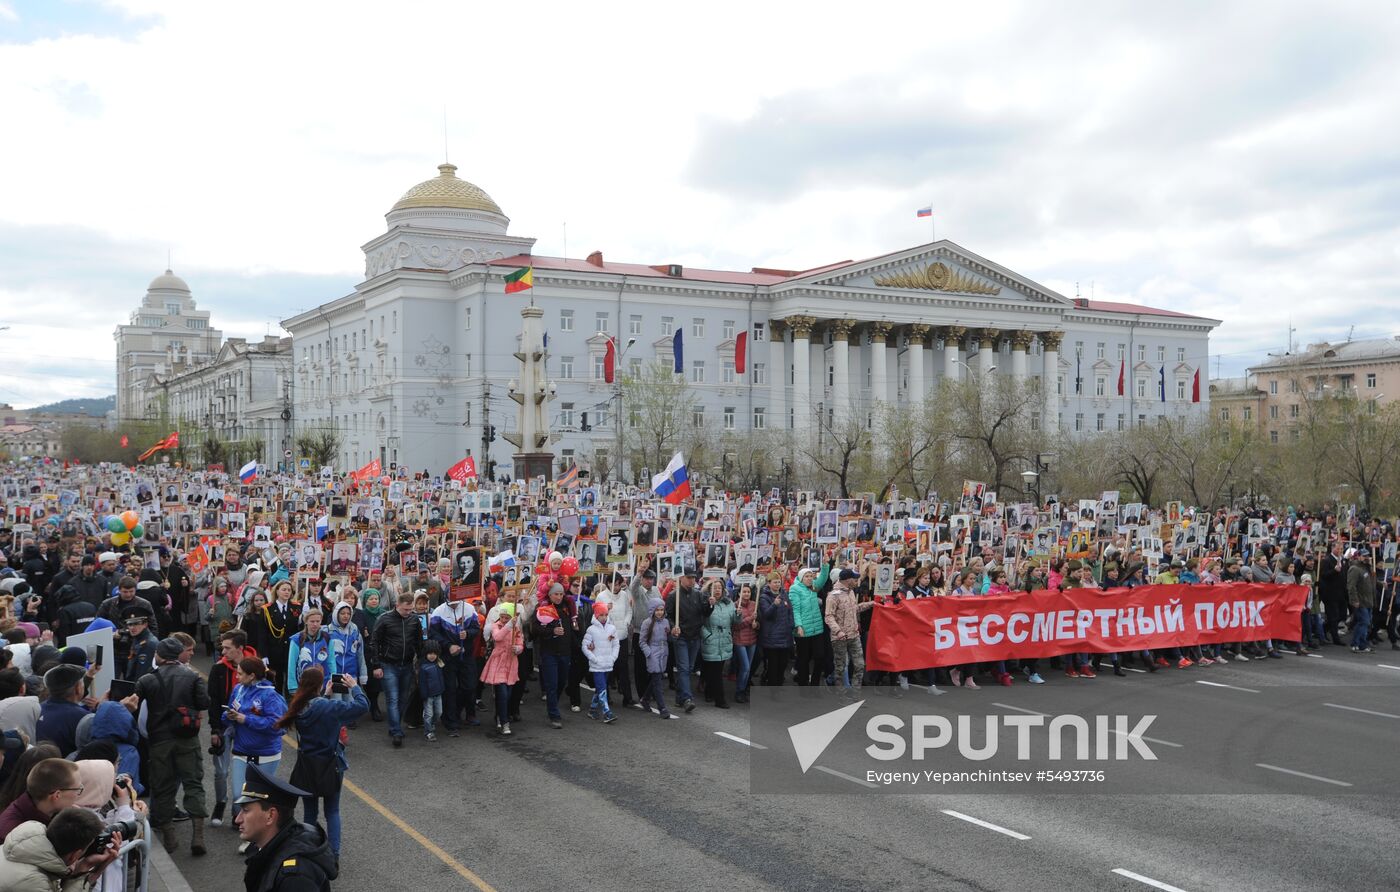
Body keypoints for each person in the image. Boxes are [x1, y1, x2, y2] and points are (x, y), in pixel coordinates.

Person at [279, 665, 368, 859]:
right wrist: (354, 686)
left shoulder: (297, 707)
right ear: (319, 685)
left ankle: (309, 850)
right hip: (330, 765)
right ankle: (334, 855)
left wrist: (325, 696)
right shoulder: (330, 708)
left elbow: (315, 713)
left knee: (310, 813)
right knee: (332, 811)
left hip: (307, 766)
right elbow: (362, 706)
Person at [135, 636, 210, 855]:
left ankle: (169, 836)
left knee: (162, 786)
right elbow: (204, 702)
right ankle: (198, 836)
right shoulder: (192, 677)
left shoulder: (147, 679)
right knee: (193, 783)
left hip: (159, 740)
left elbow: (132, 702)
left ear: (159, 655)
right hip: (187, 737)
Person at [234, 763, 337, 891]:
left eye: (246, 810)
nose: (238, 819)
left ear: (270, 816)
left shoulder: (295, 878)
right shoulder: (269, 848)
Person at [226, 658, 287, 844]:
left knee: (257, 801)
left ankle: (254, 839)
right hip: (241, 751)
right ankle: (253, 834)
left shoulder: (271, 696)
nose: (237, 677)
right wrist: (228, 716)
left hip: (266, 754)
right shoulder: (238, 690)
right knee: (239, 796)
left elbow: (277, 725)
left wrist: (246, 719)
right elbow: (230, 711)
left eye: (240, 674)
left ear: (252, 675)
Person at [0, 806, 119, 891]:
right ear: (74, 855)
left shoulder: (22, 843)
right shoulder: (36, 884)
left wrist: (84, 867)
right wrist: (97, 870)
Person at [369, 592, 421, 747]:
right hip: (388, 664)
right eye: (405, 609)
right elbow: (374, 642)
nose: (408, 612)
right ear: (397, 605)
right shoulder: (384, 619)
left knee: (403, 698)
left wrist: (421, 662)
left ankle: (395, 725)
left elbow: (418, 642)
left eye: (410, 609)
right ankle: (396, 731)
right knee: (392, 698)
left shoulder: (414, 620)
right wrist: (376, 665)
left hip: (407, 664)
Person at [0, 759, 84, 843]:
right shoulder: (16, 837)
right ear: (57, 795)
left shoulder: (44, 811)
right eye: (77, 789)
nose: (78, 794)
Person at [528, 583, 576, 729]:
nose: (559, 597)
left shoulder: (568, 607)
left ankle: (553, 702)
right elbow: (534, 629)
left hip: (565, 651)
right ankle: (554, 714)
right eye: (556, 594)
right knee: (552, 684)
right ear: (550, 595)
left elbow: (573, 626)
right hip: (549, 652)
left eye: (561, 594)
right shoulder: (543, 607)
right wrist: (552, 631)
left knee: (561, 682)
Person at [664, 567, 710, 713]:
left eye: (693, 577)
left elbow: (705, 613)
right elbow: (667, 616)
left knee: (688, 669)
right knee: (684, 668)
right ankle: (687, 699)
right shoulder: (673, 596)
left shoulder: (698, 594)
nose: (692, 580)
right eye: (689, 577)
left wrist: (710, 604)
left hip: (695, 636)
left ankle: (679, 697)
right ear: (681, 578)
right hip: (681, 637)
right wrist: (673, 627)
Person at [480, 603, 523, 735]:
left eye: (507, 617)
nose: (504, 620)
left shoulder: (517, 629)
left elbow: (521, 644)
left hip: (511, 663)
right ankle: (505, 723)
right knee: (503, 694)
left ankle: (499, 714)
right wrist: (509, 625)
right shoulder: (495, 626)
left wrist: (518, 649)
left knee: (507, 695)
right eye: (502, 617)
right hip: (498, 662)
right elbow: (497, 637)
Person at [789, 562, 830, 686]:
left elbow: (823, 578)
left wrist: (825, 565)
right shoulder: (795, 589)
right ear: (801, 578)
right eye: (806, 576)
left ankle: (815, 682)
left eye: (811, 576)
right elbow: (795, 609)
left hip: (817, 628)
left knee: (820, 656)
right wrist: (798, 626)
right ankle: (803, 682)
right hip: (803, 629)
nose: (809, 578)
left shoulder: (813, 587)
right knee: (804, 658)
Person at [825, 568, 865, 696]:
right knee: (841, 667)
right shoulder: (833, 596)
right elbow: (829, 616)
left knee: (859, 665)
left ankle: (855, 693)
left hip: (854, 635)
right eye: (854, 578)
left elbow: (854, 609)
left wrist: (869, 604)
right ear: (848, 580)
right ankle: (841, 694)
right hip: (840, 638)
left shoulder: (851, 592)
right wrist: (838, 631)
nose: (856, 580)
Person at [699, 580, 735, 709]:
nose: (717, 590)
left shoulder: (729, 603)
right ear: (710, 590)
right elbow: (700, 621)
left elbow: (735, 621)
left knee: (715, 670)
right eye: (715, 587)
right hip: (711, 640)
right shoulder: (705, 602)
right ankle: (720, 699)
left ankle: (709, 692)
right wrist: (707, 635)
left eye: (720, 587)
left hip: (724, 640)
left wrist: (738, 614)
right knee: (716, 671)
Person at [582, 600, 619, 722]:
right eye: (601, 615)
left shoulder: (612, 628)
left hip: (608, 664)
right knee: (602, 688)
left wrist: (613, 658)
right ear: (596, 615)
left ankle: (592, 710)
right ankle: (607, 713)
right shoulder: (591, 630)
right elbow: (584, 646)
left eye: (606, 615)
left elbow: (616, 644)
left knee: (600, 689)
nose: (604, 617)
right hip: (597, 666)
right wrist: (594, 659)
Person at [637, 598, 673, 718]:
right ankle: (662, 708)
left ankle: (645, 699)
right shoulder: (647, 623)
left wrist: (673, 634)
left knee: (657, 678)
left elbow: (669, 638)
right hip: (653, 652)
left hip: (664, 652)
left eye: (662, 610)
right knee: (658, 681)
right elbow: (642, 641)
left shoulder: (666, 622)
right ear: (652, 610)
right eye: (657, 610)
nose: (660, 612)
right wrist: (649, 653)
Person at [286, 609, 336, 695]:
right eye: (312, 621)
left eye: (318, 621)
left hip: (323, 684)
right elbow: (292, 664)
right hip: (303, 684)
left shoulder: (327, 638)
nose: (315, 624)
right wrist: (292, 686)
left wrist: (333, 682)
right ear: (306, 622)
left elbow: (331, 661)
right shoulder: (297, 639)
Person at [759, 572, 794, 686]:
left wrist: (791, 625)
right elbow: (766, 614)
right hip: (772, 637)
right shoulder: (764, 597)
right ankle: (772, 687)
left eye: (779, 582)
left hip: (785, 635)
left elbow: (790, 611)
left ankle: (779, 683)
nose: (777, 584)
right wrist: (774, 604)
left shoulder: (784, 594)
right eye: (775, 582)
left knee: (783, 663)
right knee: (773, 665)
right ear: (769, 583)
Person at [1347, 549, 1377, 653]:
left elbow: (1371, 583)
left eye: (1367, 556)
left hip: (1369, 601)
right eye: (1364, 556)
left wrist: (1381, 583)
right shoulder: (1355, 569)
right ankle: (1356, 644)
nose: (1366, 558)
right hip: (1361, 601)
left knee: (1365, 624)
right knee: (1364, 622)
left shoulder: (1367, 568)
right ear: (1358, 556)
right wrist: (1354, 600)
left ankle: (1361, 645)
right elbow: (1351, 586)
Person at [417, 640, 446, 742]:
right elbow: (422, 683)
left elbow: (441, 678)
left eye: (434, 653)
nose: (432, 656)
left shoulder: (439, 664)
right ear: (425, 654)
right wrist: (424, 694)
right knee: (428, 714)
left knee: (439, 712)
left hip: (438, 694)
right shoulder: (423, 667)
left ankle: (431, 725)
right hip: (428, 695)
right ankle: (428, 731)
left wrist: (442, 689)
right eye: (430, 653)